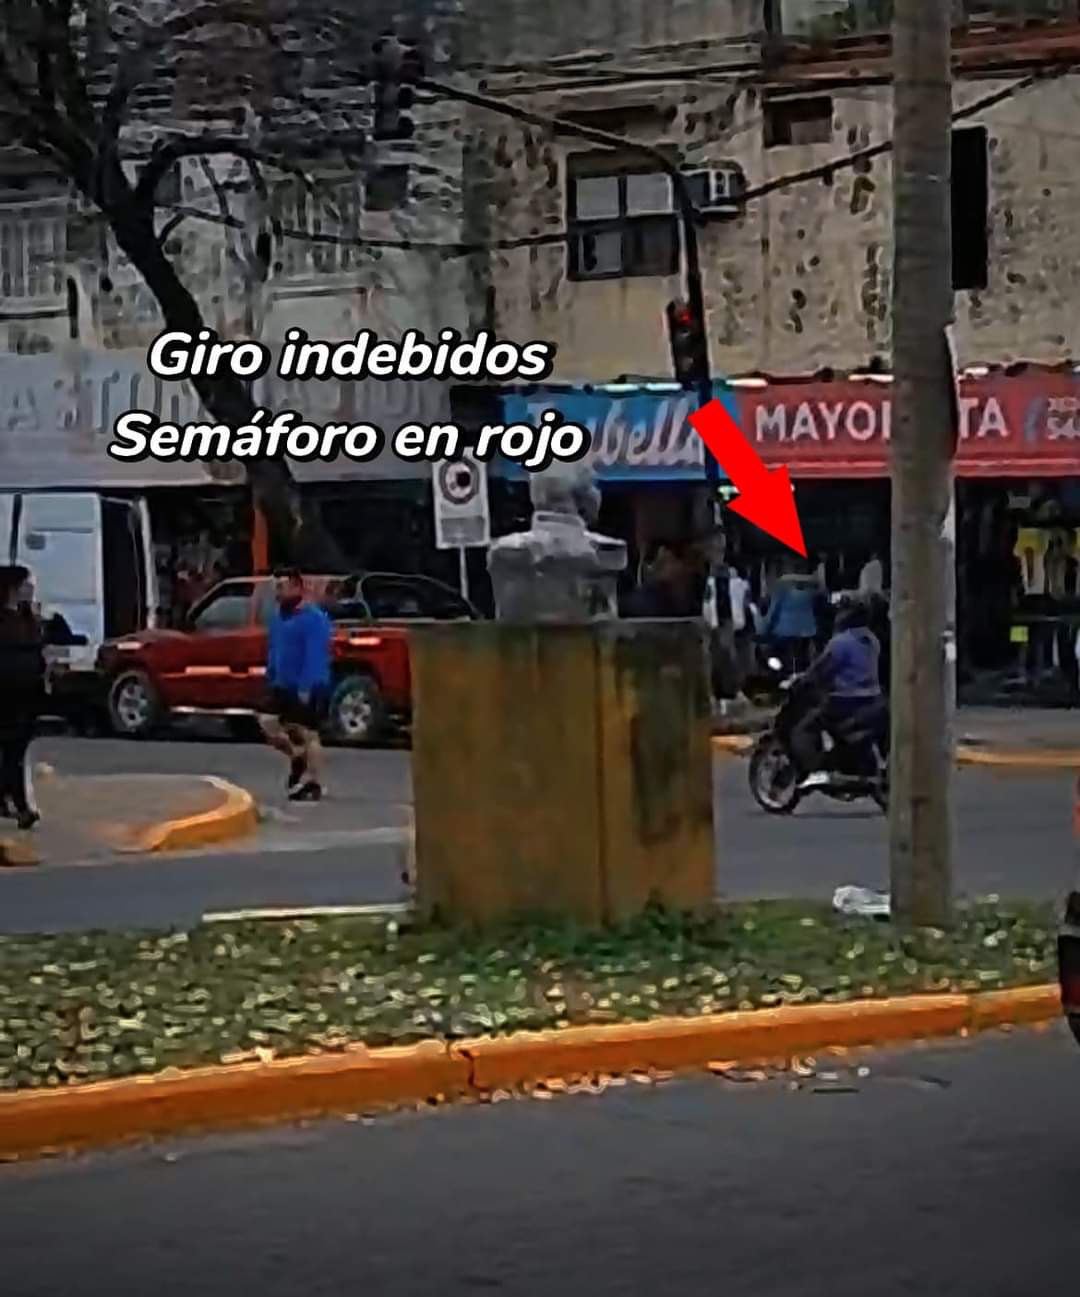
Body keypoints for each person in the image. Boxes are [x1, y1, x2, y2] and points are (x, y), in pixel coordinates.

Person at [789, 597, 886, 785]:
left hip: (845, 701)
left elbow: (820, 670)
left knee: (805, 728)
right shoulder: (871, 640)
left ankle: (815, 768)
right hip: (873, 699)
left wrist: (801, 681)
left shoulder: (841, 642)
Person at [258, 568, 333, 802]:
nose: (277, 592)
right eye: (276, 587)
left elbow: (315, 654)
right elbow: (274, 649)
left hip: (308, 683)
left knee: (309, 732)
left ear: (297, 588)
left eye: (282, 587)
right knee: (267, 722)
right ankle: (296, 755)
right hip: (281, 682)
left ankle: (314, 782)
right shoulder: (279, 617)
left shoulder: (313, 618)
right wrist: (270, 672)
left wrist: (306, 686)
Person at [0, 565, 46, 830]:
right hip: (6, 694)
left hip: (26, 696)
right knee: (11, 753)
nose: (30, 589)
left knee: (15, 752)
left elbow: (40, 642)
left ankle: (11, 802)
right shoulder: (5, 620)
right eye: (26, 585)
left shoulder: (28, 617)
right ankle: (20, 806)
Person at [760, 557, 821, 675]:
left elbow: (774, 611)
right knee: (803, 662)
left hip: (784, 633)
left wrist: (765, 628)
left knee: (779, 662)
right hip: (807, 632)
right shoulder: (812, 588)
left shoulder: (782, 586)